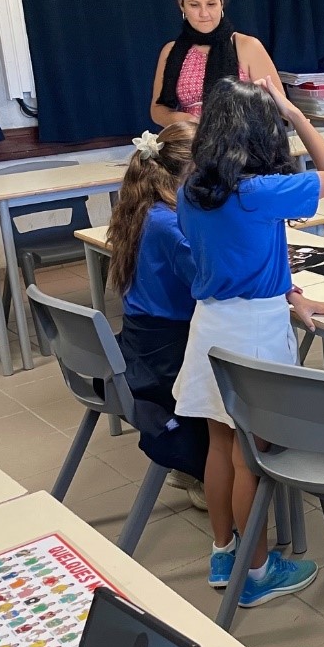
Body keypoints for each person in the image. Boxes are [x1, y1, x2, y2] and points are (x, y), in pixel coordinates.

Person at [173, 77, 324, 607]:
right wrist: (296, 114)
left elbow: (235, 256)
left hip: (210, 326)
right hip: (255, 331)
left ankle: (224, 553)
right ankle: (258, 570)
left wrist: (292, 294)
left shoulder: (191, 190)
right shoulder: (261, 193)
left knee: (218, 445)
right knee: (251, 454)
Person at [106, 122, 207, 510]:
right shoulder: (171, 225)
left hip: (142, 344)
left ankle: (193, 464)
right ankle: (203, 467)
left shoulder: (141, 208)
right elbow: (210, 284)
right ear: (190, 172)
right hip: (170, 355)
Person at [150, 0, 284, 126]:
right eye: (194, 5)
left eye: (211, 4)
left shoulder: (247, 46)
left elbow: (279, 106)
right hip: (190, 137)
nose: (204, 13)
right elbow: (158, 110)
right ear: (182, 5)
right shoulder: (171, 51)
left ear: (221, 2)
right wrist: (184, 120)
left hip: (242, 136)